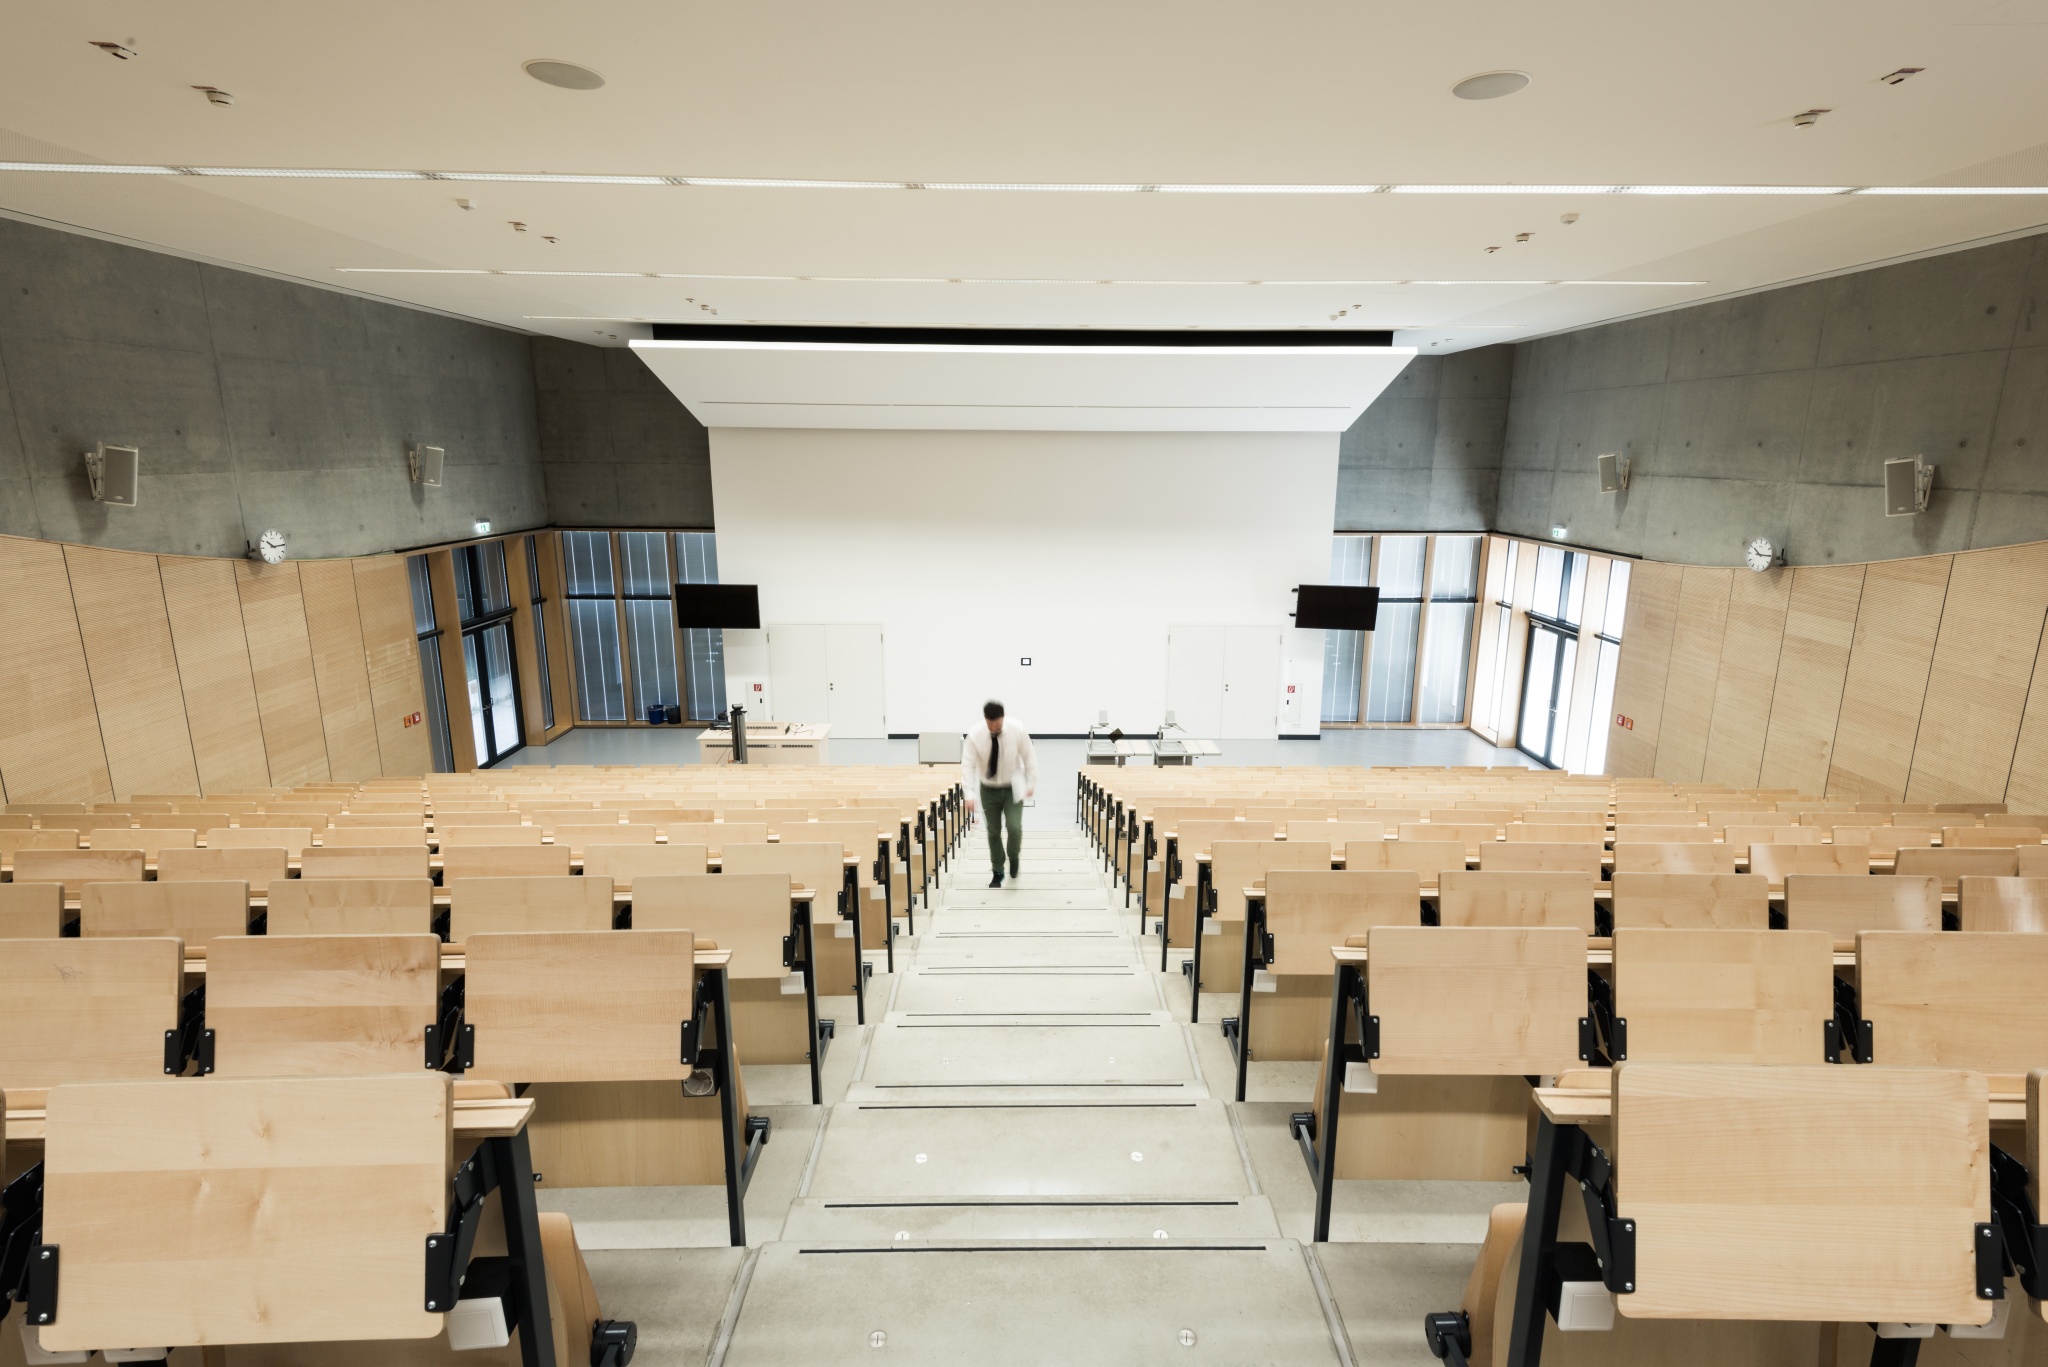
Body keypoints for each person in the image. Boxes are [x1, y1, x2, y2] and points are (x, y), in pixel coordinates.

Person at [962, 699, 1037, 888]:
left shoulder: (1017, 729)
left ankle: (1013, 857)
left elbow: (1029, 755)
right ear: (985, 720)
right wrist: (968, 794)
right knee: (993, 832)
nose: (994, 728)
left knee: (1014, 827)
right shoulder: (975, 735)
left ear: (1003, 718)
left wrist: (1031, 781)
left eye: (997, 724)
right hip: (988, 789)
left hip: (1013, 786)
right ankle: (997, 870)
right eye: (990, 724)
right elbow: (968, 765)